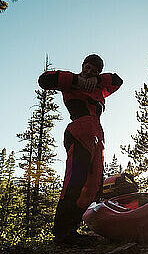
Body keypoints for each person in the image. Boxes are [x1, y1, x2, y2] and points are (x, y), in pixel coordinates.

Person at [38, 54, 123, 244]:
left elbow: (118, 81)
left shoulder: (100, 88)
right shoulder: (71, 82)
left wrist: (97, 80)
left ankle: (72, 230)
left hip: (97, 138)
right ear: (82, 66)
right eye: (88, 67)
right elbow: (44, 80)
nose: (90, 71)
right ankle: (62, 232)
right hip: (78, 132)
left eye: (94, 69)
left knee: (93, 186)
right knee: (74, 182)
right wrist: (78, 80)